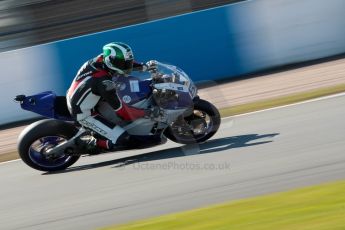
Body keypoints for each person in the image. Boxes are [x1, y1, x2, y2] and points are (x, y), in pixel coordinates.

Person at [66, 42, 156, 152]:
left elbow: (123, 62)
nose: (126, 67)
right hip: (84, 113)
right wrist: (147, 113)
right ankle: (89, 142)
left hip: (83, 96)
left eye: (127, 63)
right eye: (123, 64)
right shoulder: (104, 83)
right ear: (110, 61)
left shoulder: (102, 58)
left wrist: (143, 66)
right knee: (124, 140)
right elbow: (123, 113)